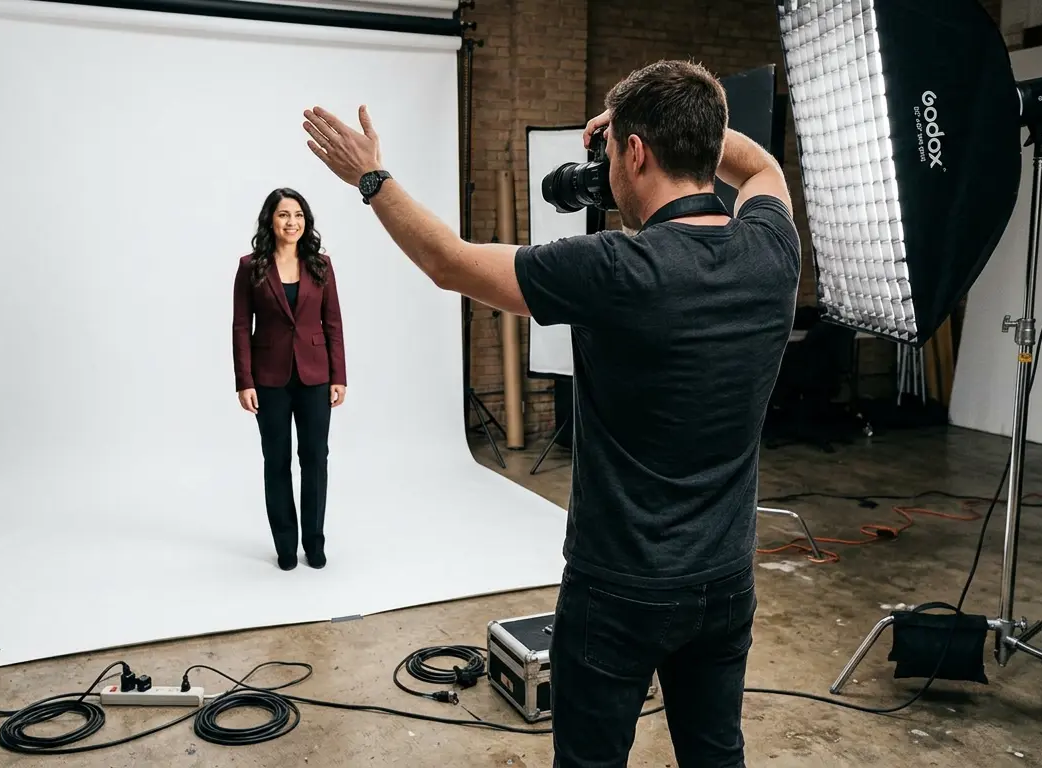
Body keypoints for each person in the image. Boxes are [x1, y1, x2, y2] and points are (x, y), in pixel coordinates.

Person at [302, 58, 799, 767]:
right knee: (716, 755)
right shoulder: (772, 250)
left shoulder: (613, 269)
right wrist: (693, 128)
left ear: (634, 152)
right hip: (724, 580)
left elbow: (449, 263)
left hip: (619, 587)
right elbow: (761, 170)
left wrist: (370, 179)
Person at [232, 188, 347, 572]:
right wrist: (244, 381)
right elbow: (239, 327)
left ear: (306, 221)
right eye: (283, 215)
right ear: (270, 220)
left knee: (315, 458)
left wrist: (339, 375)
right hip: (269, 378)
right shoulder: (251, 267)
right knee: (276, 461)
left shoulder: (321, 265)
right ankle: (285, 545)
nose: (291, 222)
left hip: (315, 376)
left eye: (298, 215)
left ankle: (314, 542)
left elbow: (333, 324)